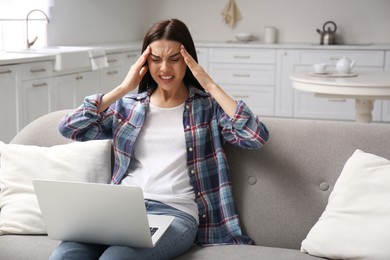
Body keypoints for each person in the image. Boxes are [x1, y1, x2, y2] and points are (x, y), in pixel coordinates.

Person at [52, 18, 269, 260]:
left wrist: (209, 83)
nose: (164, 68)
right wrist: (123, 88)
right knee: (65, 256)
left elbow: (255, 135)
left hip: (175, 214)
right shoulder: (128, 107)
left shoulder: (208, 108)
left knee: (115, 258)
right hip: (120, 210)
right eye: (156, 59)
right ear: (145, 61)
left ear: (189, 60)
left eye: (174, 59)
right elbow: (69, 127)